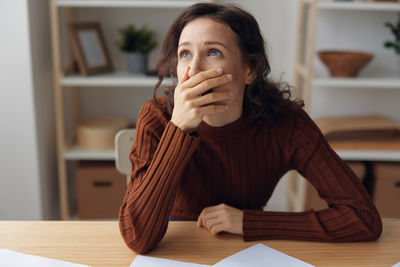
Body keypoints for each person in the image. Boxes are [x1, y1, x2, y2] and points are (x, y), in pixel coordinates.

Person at [119, 3, 382, 254]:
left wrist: (250, 222)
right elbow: (137, 237)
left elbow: (363, 218)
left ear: (250, 70)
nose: (194, 69)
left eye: (213, 52)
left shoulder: (286, 124)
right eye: (185, 53)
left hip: (248, 244)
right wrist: (179, 129)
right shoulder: (156, 117)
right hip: (177, 242)